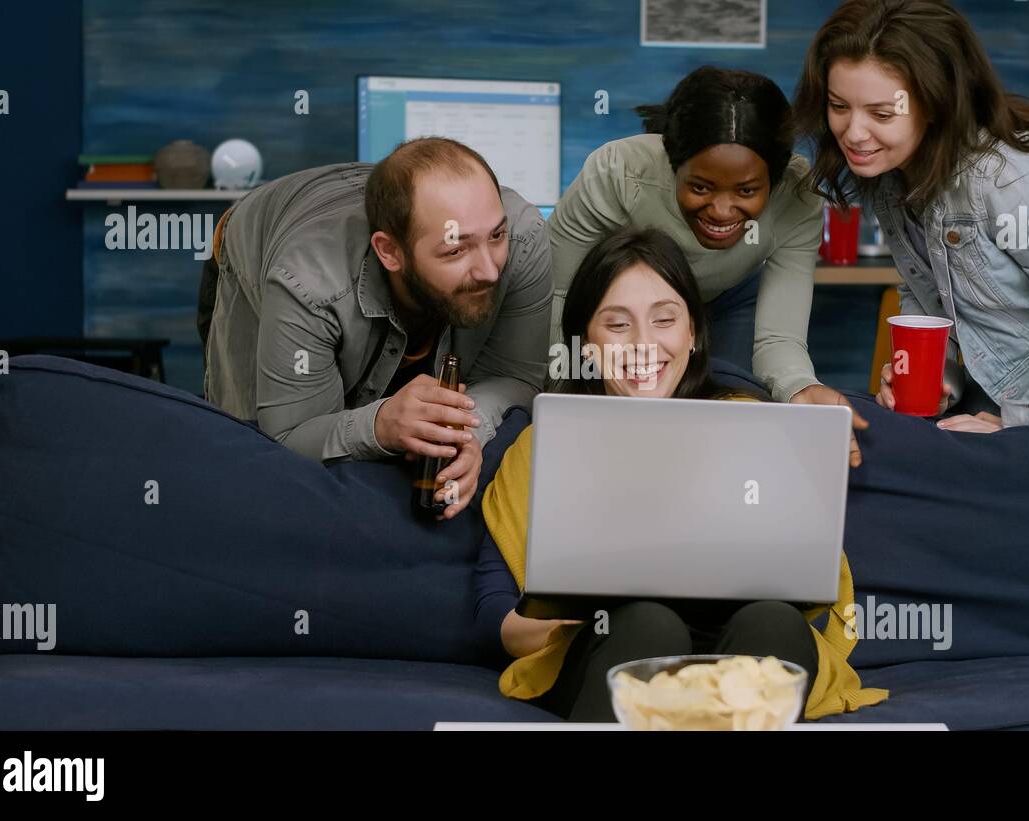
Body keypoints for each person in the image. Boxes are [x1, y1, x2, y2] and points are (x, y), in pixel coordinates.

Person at [474, 227, 890, 722]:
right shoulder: (544, 446)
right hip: (609, 645)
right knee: (648, 624)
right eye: (618, 324)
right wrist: (580, 614)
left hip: (739, 643)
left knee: (775, 621)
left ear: (692, 333)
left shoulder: (754, 427)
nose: (644, 344)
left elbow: (806, 587)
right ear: (586, 343)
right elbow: (494, 618)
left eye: (664, 320)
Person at [793, 0, 1029, 432]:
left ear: (936, 103)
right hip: (1021, 396)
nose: (853, 132)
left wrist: (1018, 422)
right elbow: (928, 291)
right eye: (839, 106)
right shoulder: (893, 176)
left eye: (882, 113)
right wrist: (940, 376)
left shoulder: (1008, 179)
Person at [198, 138, 551, 518]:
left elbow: (514, 374)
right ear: (389, 251)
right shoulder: (305, 283)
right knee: (249, 469)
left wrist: (467, 434)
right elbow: (286, 436)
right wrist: (380, 425)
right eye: (456, 250)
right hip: (257, 244)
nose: (490, 271)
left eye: (495, 236)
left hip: (378, 226)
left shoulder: (524, 236)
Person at [549, 65, 869, 465]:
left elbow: (778, 340)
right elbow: (560, 295)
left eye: (747, 190)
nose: (720, 211)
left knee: (724, 423)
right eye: (700, 187)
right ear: (672, 163)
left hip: (731, 298)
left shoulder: (798, 197)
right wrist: (561, 399)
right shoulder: (616, 173)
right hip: (630, 316)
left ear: (776, 178)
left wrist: (799, 389)